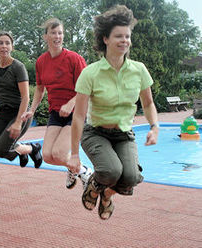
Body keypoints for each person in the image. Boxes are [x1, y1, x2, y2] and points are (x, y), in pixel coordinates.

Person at [68, 5, 159, 220]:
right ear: (105, 39)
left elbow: (148, 103)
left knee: (131, 177)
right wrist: (74, 154)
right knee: (111, 171)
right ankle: (94, 184)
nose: (124, 40)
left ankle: (106, 195)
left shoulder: (139, 70)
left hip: (123, 134)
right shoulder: (90, 73)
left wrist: (154, 126)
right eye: (118, 36)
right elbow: (79, 116)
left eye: (127, 36)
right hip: (96, 132)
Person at [21, 18, 92, 190]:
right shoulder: (41, 62)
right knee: (47, 156)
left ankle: (86, 173)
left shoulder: (74, 59)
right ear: (46, 36)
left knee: (59, 153)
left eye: (60, 33)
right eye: (53, 33)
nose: (57, 36)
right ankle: (76, 168)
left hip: (77, 111)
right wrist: (32, 110)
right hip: (55, 112)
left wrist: (71, 103)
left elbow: (88, 88)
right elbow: (39, 89)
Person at [0, 31, 43, 188]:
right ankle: (24, 151)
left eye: (7, 43)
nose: (4, 46)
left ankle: (32, 148)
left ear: (12, 46)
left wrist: (18, 123)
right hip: (4, 113)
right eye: (1, 43)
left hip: (19, 114)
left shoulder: (18, 67)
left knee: (0, 150)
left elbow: (26, 97)